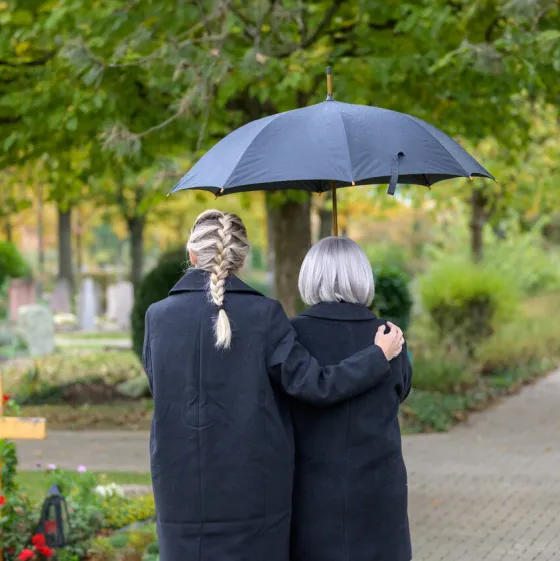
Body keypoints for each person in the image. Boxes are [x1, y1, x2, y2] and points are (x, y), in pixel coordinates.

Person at [142, 210, 405, 561]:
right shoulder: (265, 315)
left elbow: (160, 385)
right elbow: (315, 385)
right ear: (241, 257)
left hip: (179, 487)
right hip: (255, 493)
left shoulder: (157, 317)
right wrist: (376, 356)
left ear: (191, 255)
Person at [290, 236, 413, 561]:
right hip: (379, 489)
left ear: (311, 276)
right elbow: (402, 390)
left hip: (312, 492)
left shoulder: (291, 336)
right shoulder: (390, 336)